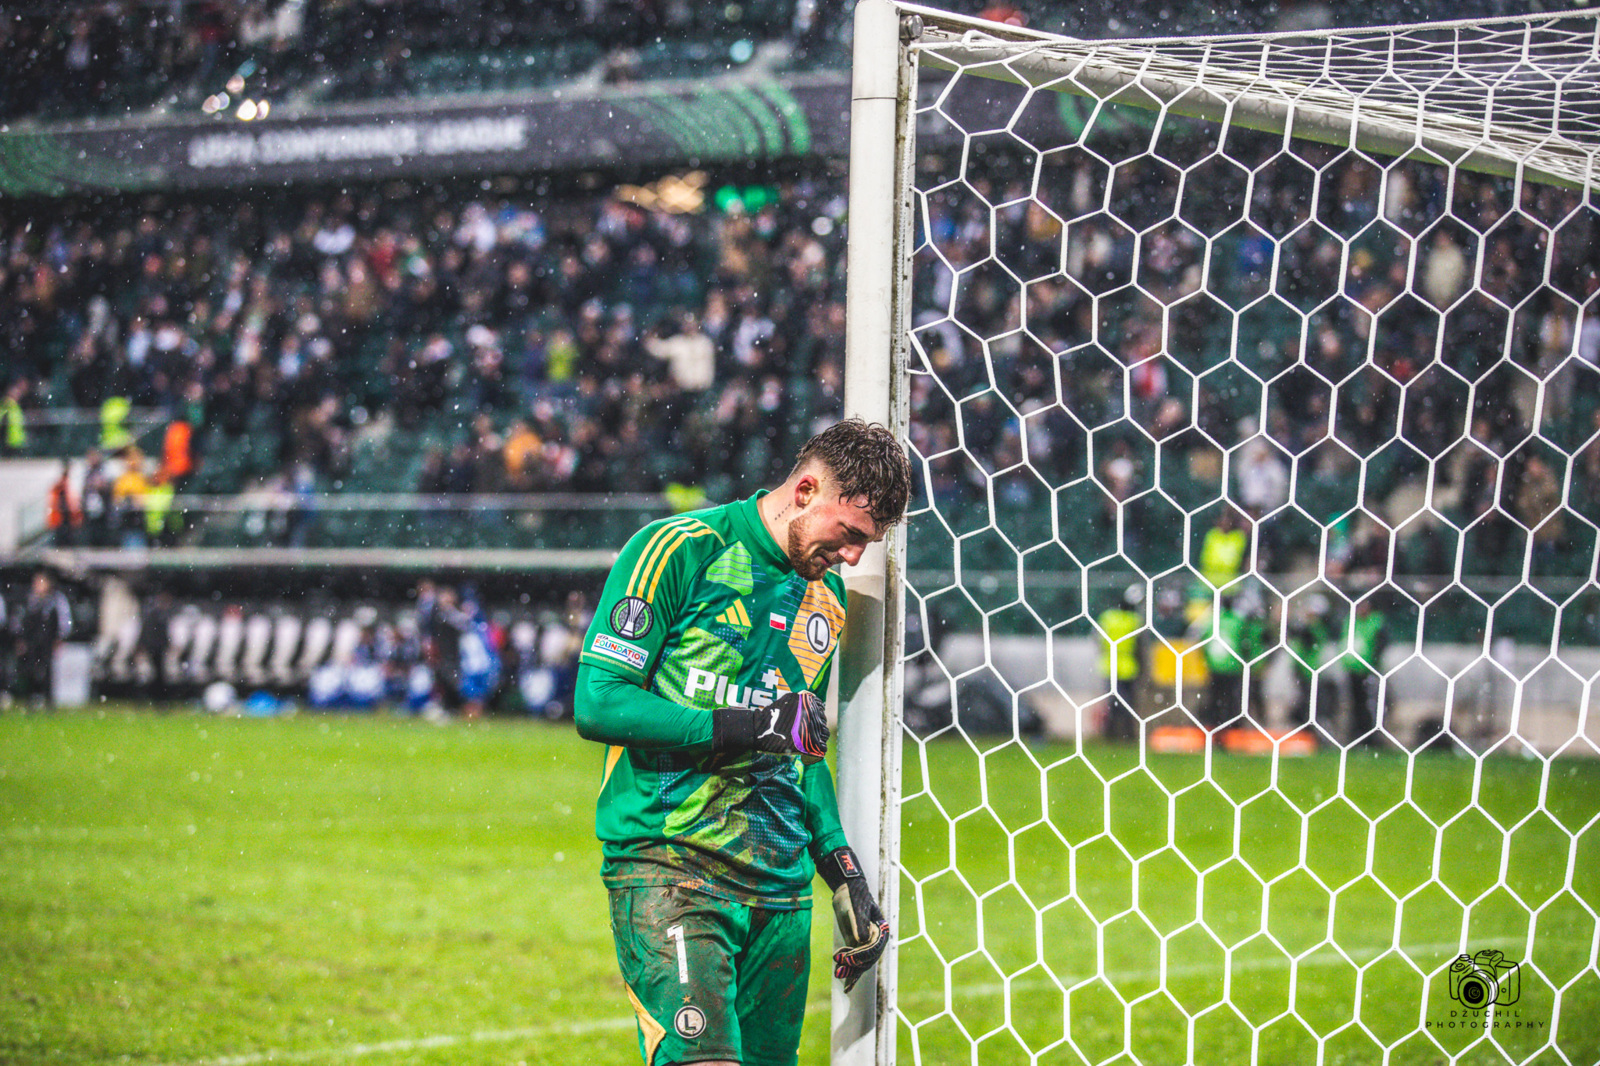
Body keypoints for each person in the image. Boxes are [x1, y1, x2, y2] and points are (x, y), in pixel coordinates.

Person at [574, 418, 910, 1066]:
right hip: (671, 867)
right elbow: (600, 701)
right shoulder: (680, 550)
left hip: (780, 892)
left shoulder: (827, 603)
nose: (854, 558)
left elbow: (803, 748)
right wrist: (742, 726)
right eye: (850, 536)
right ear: (808, 489)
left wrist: (843, 876)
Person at [13, 571, 71, 708]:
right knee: (30, 670)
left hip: (47, 641)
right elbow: (21, 621)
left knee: (47, 671)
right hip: (32, 642)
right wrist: (21, 639)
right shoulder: (30, 600)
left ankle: (48, 700)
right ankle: (31, 698)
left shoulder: (56, 600)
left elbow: (64, 620)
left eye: (41, 582)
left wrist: (60, 637)